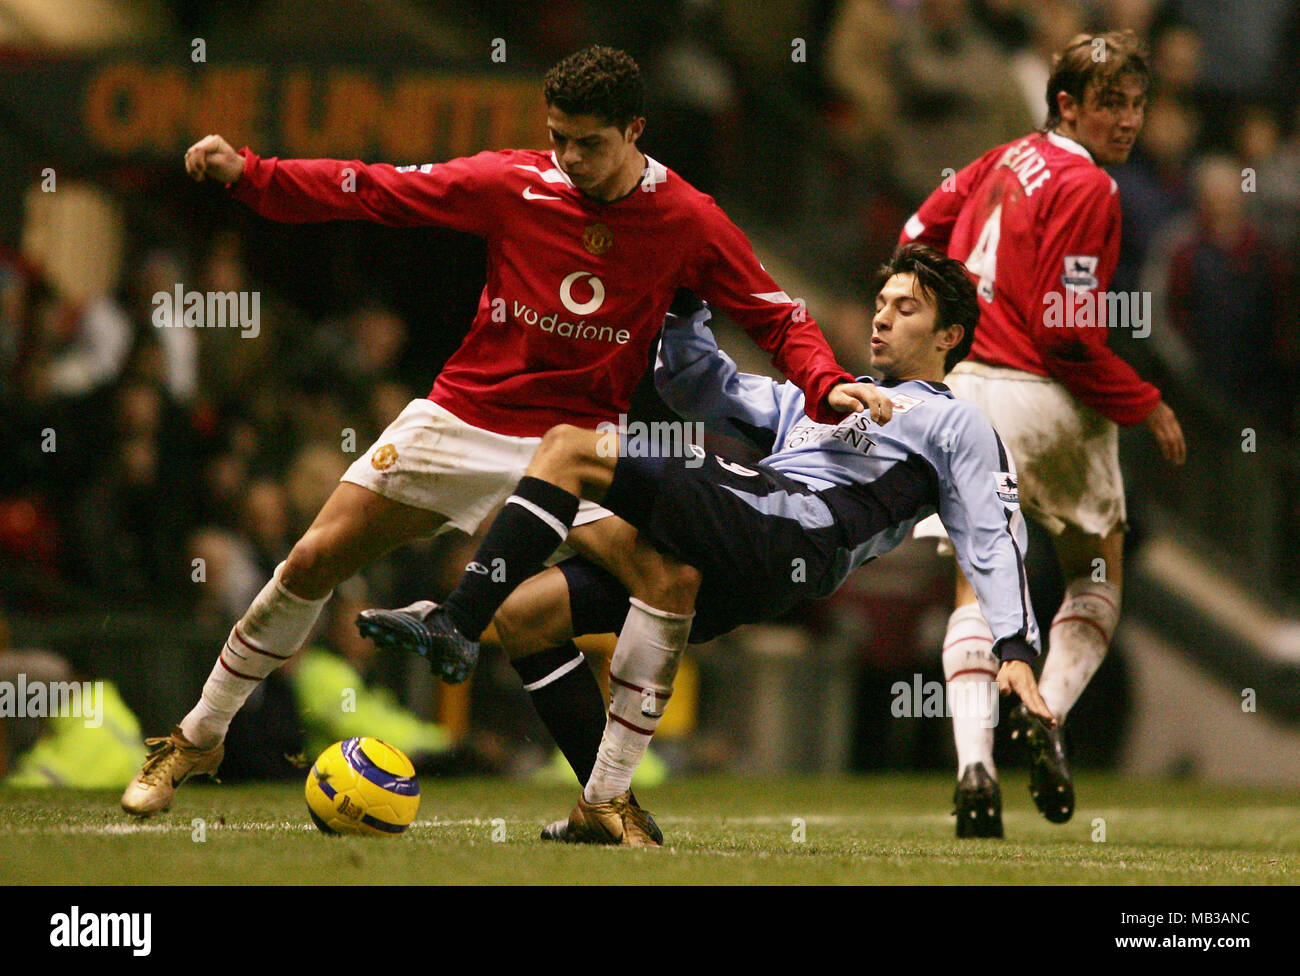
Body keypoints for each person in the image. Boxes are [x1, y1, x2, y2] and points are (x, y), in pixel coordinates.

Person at [121, 45, 881, 816]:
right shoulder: (511, 182)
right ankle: (198, 737)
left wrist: (826, 382)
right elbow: (377, 190)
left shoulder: (688, 218)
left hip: (581, 447)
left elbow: (776, 315)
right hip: (465, 415)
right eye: (559, 138)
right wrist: (252, 174)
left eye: (590, 142)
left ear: (635, 131)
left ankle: (608, 799)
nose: (571, 158)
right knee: (313, 557)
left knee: (669, 580)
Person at [359, 243, 1053, 846]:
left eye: (907, 308)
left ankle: (456, 617)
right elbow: (699, 384)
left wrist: (1016, 649)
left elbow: (991, 537)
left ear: (949, 334)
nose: (881, 315)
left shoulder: (957, 424)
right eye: (881, 301)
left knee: (568, 449)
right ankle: (607, 806)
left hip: (786, 528)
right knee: (527, 618)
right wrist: (684, 303)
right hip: (746, 545)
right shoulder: (824, 397)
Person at [898, 31, 1187, 835]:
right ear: (1068, 104)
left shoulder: (998, 159)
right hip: (1039, 397)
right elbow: (1066, 336)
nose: (1127, 120)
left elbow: (915, 235)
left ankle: (975, 768)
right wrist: (1142, 401)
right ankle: (1048, 713)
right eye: (1109, 104)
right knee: (1098, 566)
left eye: (1136, 104)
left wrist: (935, 342)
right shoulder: (1091, 188)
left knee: (974, 585)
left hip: (962, 399)